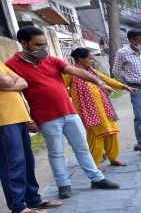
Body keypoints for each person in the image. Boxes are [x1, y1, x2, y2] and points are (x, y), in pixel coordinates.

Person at [6, 26, 120, 200]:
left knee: (82, 148)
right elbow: (16, 94)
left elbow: (77, 71)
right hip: (46, 117)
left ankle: (97, 179)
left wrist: (99, 82)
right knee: (56, 152)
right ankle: (63, 186)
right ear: (23, 43)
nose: (42, 49)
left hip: (70, 113)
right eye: (38, 45)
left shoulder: (51, 60)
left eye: (44, 44)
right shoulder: (11, 66)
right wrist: (29, 120)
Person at [0, 62, 62, 213]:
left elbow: (23, 82)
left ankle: (32, 199)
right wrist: (11, 82)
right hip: (4, 120)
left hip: (19, 117)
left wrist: (10, 82)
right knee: (13, 165)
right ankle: (18, 207)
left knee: (27, 161)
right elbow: (7, 82)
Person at [65, 48, 136, 168]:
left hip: (104, 109)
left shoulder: (92, 71)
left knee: (111, 133)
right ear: (79, 59)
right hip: (87, 112)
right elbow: (61, 87)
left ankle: (113, 158)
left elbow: (107, 80)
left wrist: (124, 87)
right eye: (90, 58)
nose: (92, 61)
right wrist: (71, 94)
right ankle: (95, 163)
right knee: (95, 137)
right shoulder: (70, 72)